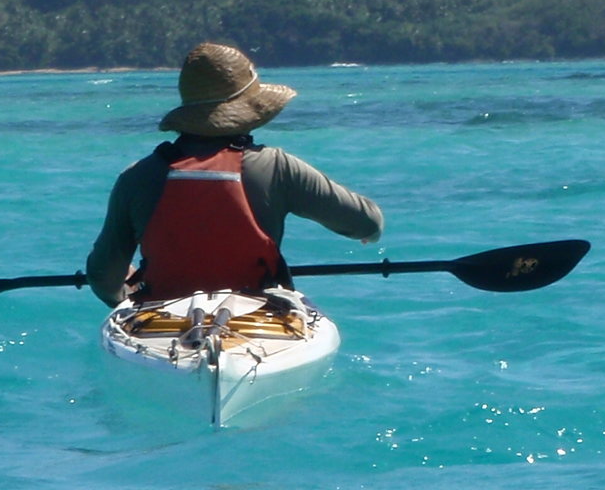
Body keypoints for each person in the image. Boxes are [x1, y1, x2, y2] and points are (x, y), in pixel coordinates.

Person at [85, 41, 383, 305]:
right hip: (255, 319)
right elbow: (367, 222)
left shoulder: (137, 176)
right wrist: (369, 233)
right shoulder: (278, 167)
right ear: (250, 112)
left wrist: (125, 296)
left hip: (161, 321)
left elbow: (103, 275)